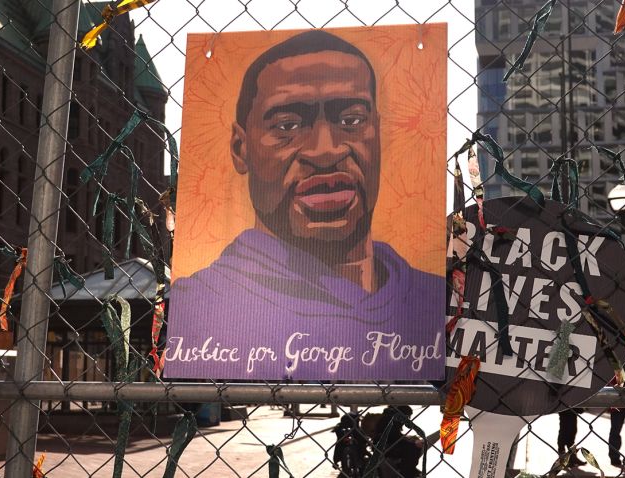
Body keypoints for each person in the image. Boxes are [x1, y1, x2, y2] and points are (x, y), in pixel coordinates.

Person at [168, 30, 445, 379]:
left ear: (378, 133)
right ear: (241, 148)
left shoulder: (433, 300)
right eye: (288, 125)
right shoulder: (198, 306)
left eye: (352, 121)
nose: (325, 151)